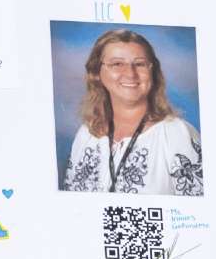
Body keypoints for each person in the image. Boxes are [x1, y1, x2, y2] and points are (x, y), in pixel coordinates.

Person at [62, 29, 202, 195]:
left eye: (140, 64)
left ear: (153, 72)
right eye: (117, 64)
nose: (130, 73)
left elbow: (200, 215)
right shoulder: (86, 134)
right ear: (97, 73)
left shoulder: (177, 134)